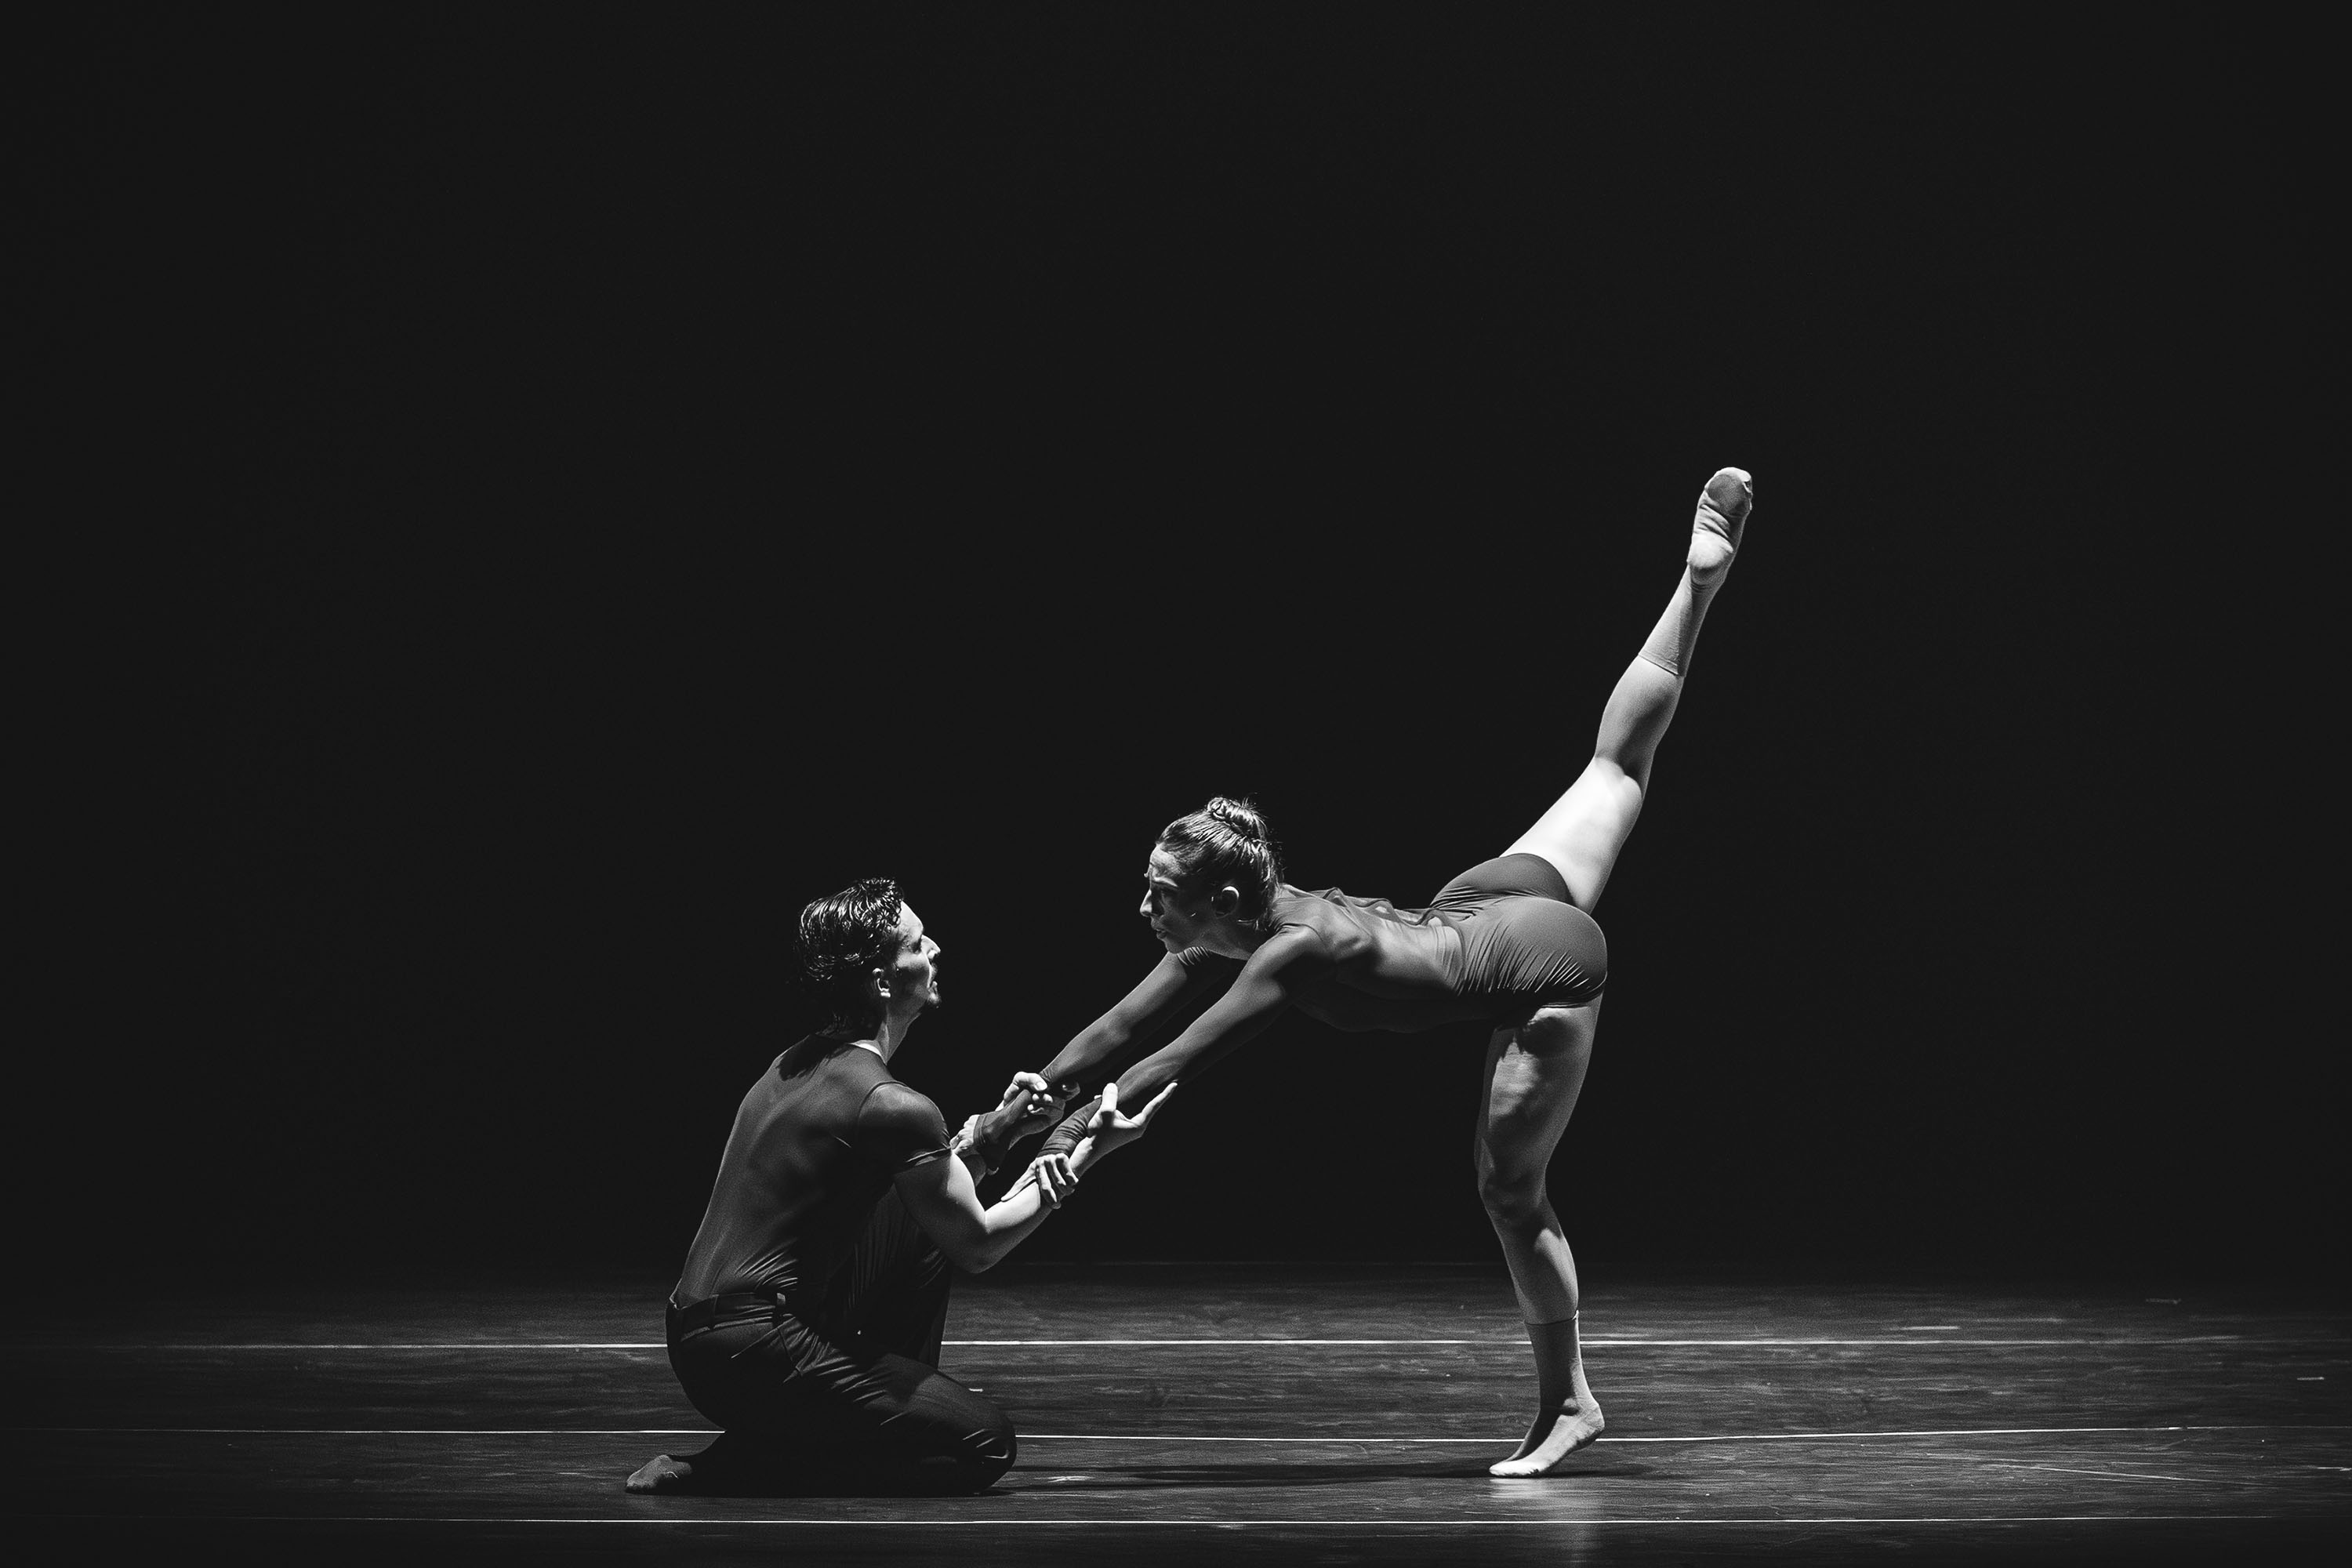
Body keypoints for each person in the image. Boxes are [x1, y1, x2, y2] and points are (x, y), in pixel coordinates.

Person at [1030, 467, 1754, 1478]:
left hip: (1544, 964)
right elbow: (1118, 1030)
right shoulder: (1244, 923)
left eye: (1160, 894)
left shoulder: (1295, 947)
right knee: (1614, 767)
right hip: (1479, 902)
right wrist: (1027, 1099)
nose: (1144, 908)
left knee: (1508, 1188)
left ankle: (1571, 1400)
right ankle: (1699, 582)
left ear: (1221, 901)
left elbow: (1178, 1059)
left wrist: (1062, 1146)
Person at [626, 877, 1172, 1495]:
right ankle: (744, 1464)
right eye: (917, 943)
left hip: (701, 1337)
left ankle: (816, 1434)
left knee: (921, 1226)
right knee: (985, 1444)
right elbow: (978, 1245)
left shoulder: (797, 1061)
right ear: (883, 983)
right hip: (755, 1352)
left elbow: (930, 1198)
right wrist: (1084, 1150)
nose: (934, 949)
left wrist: (1003, 1129)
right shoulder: (891, 1103)